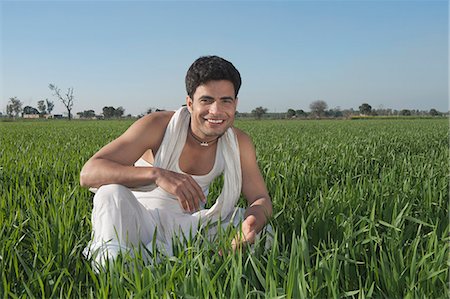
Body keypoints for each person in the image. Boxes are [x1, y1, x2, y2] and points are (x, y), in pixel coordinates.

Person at [80, 55, 272, 266]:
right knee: (110, 194)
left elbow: (260, 197)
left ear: (235, 104)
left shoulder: (239, 142)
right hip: (140, 223)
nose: (216, 111)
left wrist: (252, 223)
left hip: (191, 227)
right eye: (206, 100)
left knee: (260, 230)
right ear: (190, 103)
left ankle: (174, 258)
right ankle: (117, 264)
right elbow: (89, 173)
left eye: (225, 101)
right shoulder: (158, 126)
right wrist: (157, 174)